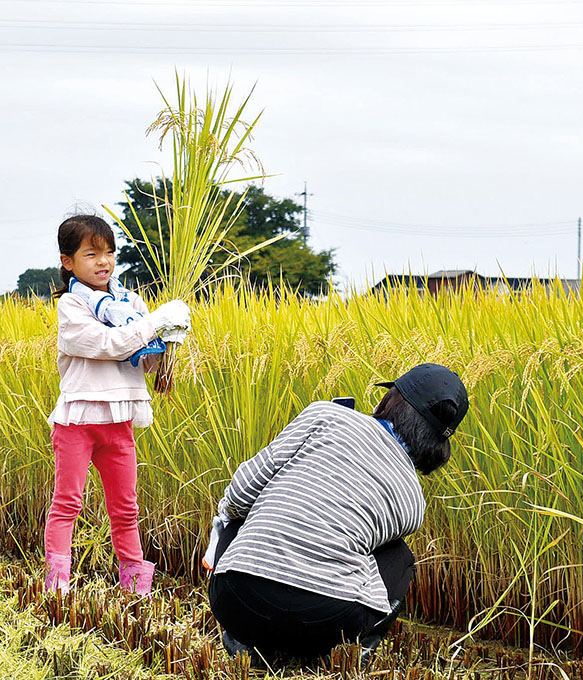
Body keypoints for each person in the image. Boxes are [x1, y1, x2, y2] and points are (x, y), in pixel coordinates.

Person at [206, 363, 469, 664]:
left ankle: (244, 638)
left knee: (239, 511)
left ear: (390, 401)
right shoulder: (413, 502)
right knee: (399, 557)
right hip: (327, 622)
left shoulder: (326, 415)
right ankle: (358, 646)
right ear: (438, 445)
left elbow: (240, 492)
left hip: (235, 599)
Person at [43, 214, 192, 596]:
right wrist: (155, 321)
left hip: (119, 421)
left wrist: (168, 342)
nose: (103, 261)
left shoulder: (130, 303)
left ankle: (135, 590)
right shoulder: (72, 307)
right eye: (91, 254)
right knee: (67, 504)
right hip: (77, 422)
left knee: (126, 509)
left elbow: (143, 359)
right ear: (67, 261)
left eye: (109, 252)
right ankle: (57, 589)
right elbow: (109, 345)